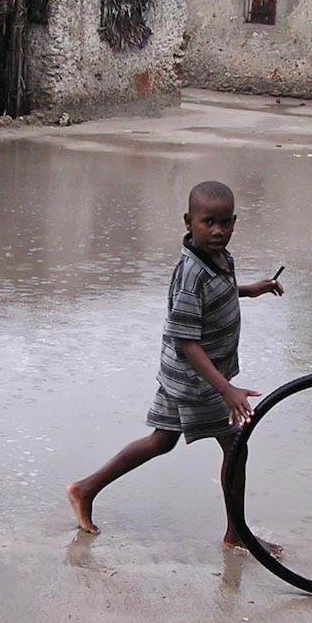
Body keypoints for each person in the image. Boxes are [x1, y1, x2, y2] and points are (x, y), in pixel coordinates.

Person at [66, 181, 285, 555]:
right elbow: (186, 340)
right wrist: (225, 389)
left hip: (190, 376)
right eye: (208, 222)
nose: (217, 231)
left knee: (161, 441)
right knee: (236, 448)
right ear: (188, 222)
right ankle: (237, 535)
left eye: (225, 223)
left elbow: (221, 290)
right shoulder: (190, 274)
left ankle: (84, 489)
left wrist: (252, 289)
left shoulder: (219, 259)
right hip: (196, 379)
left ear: (235, 222)